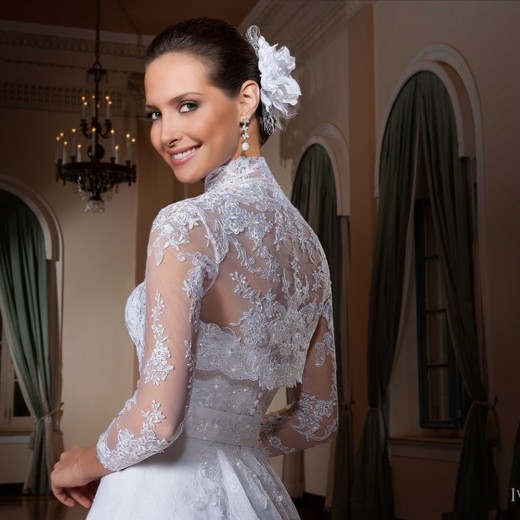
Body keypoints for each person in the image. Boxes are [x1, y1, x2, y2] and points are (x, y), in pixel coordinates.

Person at [51, 17, 338, 519]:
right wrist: (230, 439)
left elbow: (158, 420)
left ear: (246, 100)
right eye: (155, 113)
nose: (166, 134)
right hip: (252, 491)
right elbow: (318, 418)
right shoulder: (310, 249)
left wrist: (82, 463)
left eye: (187, 105)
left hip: (161, 494)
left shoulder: (185, 224)